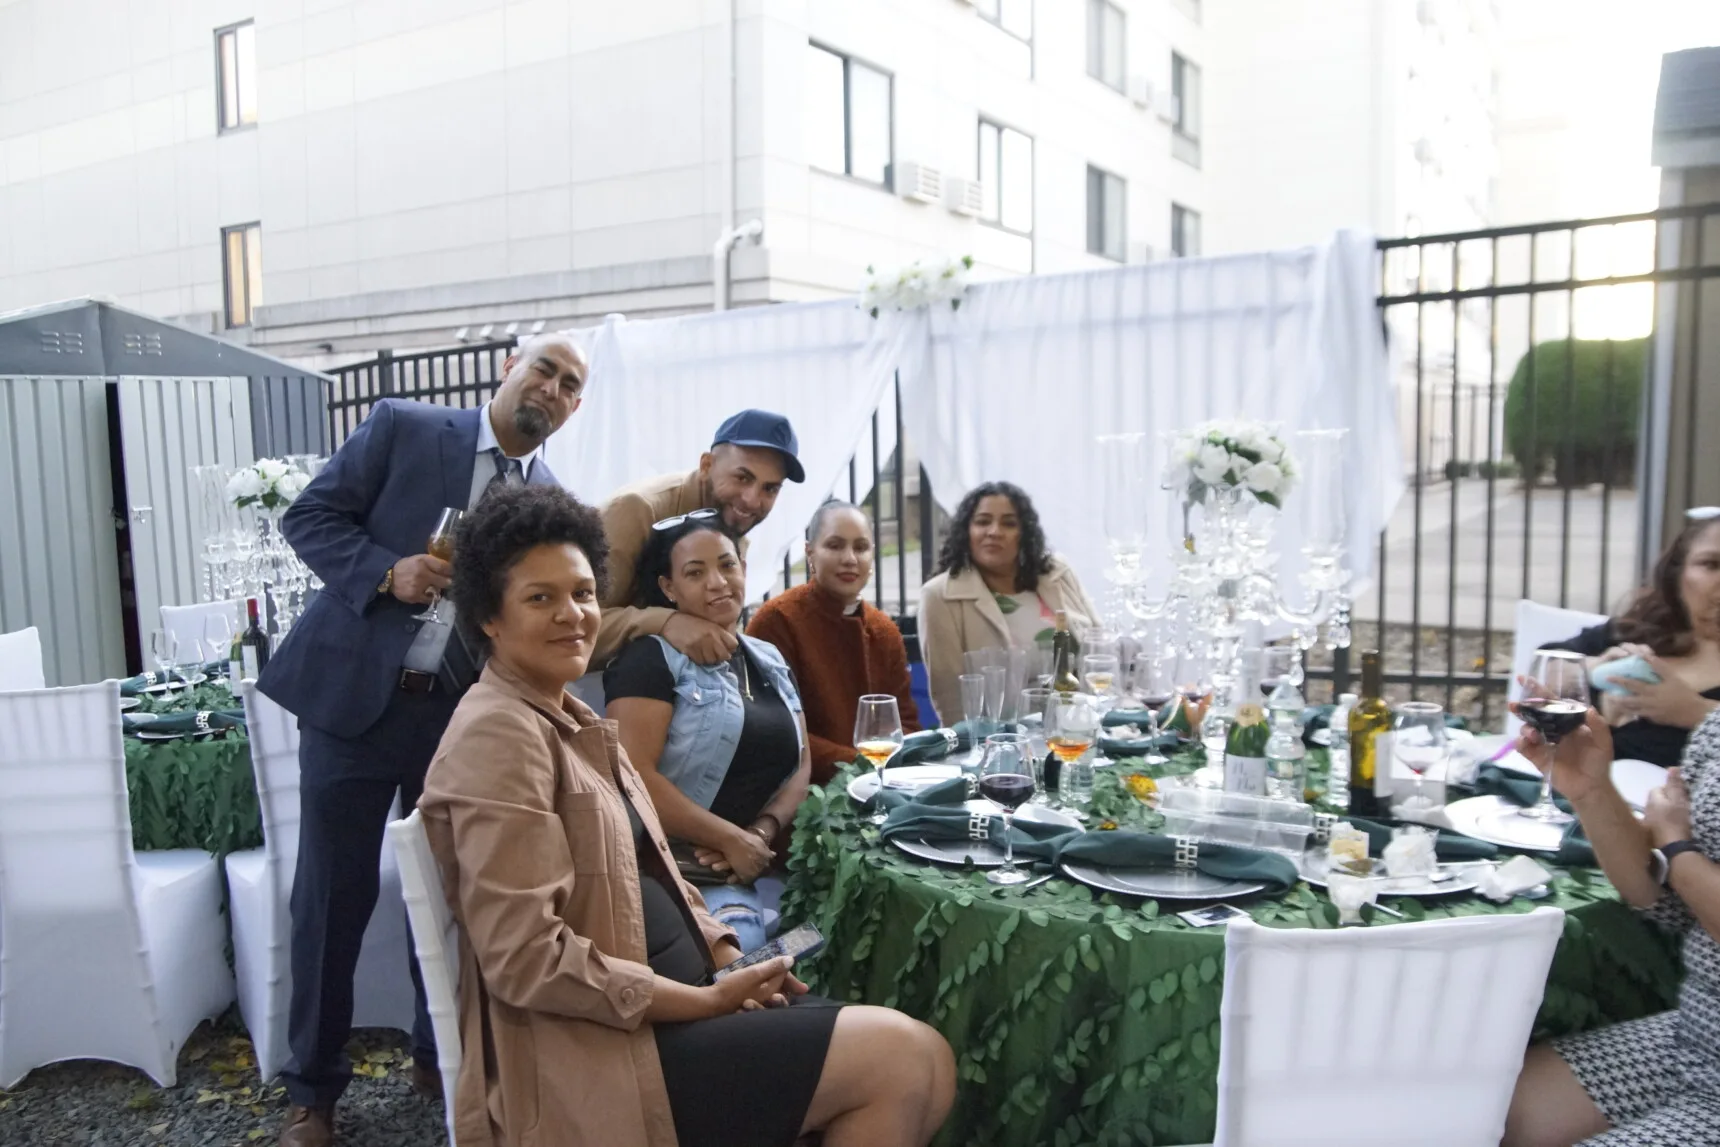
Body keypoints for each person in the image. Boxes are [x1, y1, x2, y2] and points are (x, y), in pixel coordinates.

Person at [419, 484, 956, 1147]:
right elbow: (527, 959)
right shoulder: (496, 734)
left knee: (931, 1064)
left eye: (584, 593)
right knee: (900, 1059)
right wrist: (704, 1001)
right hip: (598, 1053)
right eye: (541, 597)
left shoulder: (567, 716)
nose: (574, 614)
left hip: (675, 999)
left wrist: (732, 960)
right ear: (488, 617)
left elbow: (655, 871)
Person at [257, 333, 588, 1147]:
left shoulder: (547, 498)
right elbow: (309, 515)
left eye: (571, 384)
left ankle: (437, 1050)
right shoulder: (405, 426)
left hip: (457, 719)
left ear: (574, 409)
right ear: (510, 366)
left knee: (448, 895)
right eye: (544, 367)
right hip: (352, 705)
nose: (551, 387)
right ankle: (314, 1090)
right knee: (332, 896)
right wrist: (383, 572)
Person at [1502, 705, 1720, 1146]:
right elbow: (1665, 903)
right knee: (1473, 1116)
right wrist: (1590, 788)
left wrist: (1679, 847)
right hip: (1695, 1037)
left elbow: (1678, 860)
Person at [604, 512, 811, 949]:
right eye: (695, 573)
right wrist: (727, 838)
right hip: (678, 870)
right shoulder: (650, 659)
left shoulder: (768, 657)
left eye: (727, 565)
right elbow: (632, 776)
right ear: (668, 588)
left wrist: (759, 835)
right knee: (748, 957)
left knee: (832, 936)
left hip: (755, 863)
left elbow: (801, 761)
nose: (717, 582)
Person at [593, 409, 804, 670]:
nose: (752, 500)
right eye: (742, 478)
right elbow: (573, 624)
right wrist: (666, 622)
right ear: (706, 465)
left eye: (770, 488)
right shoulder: (636, 510)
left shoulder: (732, 527)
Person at [746, 500, 922, 785]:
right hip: (799, 795)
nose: (850, 558)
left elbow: (904, 723)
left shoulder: (884, 631)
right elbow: (777, 729)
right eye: (835, 545)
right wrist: (858, 766)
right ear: (810, 553)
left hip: (882, 786)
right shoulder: (776, 621)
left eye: (861, 547)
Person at [1541, 514, 1720, 768]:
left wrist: (1697, 711)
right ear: (1677, 576)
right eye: (1712, 564)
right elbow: (1544, 667)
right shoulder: (1640, 630)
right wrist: (1596, 672)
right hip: (1570, 792)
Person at [917, 481, 1100, 725]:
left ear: (1024, 534)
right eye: (982, 522)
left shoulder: (1057, 573)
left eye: (1009, 523)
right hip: (1001, 743)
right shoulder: (940, 596)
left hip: (1081, 727)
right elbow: (950, 696)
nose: (994, 531)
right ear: (966, 531)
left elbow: (1100, 646)